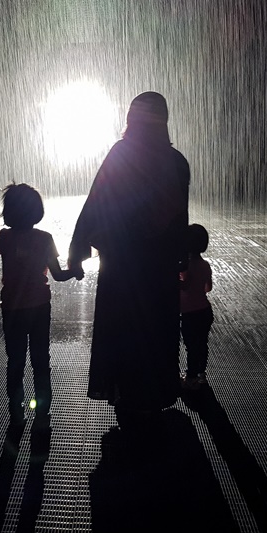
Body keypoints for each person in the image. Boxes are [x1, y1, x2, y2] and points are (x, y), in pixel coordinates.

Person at [68, 92, 190, 428]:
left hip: (122, 262)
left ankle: (128, 392)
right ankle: (156, 393)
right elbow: (181, 215)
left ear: (131, 120)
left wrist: (78, 250)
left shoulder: (120, 155)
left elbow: (96, 203)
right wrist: (183, 257)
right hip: (159, 265)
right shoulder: (176, 162)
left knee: (124, 328)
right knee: (158, 328)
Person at [0, 183, 77, 429]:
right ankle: (43, 409)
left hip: (12, 309)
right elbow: (58, 275)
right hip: (39, 307)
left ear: (10, 211)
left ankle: (16, 410)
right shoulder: (45, 239)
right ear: (37, 211)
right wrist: (76, 271)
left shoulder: (5, 237)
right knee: (40, 359)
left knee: (15, 360)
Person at [179, 224, 213, 390]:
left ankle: (190, 377)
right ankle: (201, 373)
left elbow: (184, 287)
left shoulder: (187, 266)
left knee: (191, 346)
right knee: (202, 343)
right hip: (205, 311)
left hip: (189, 313)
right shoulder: (205, 265)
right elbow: (208, 288)